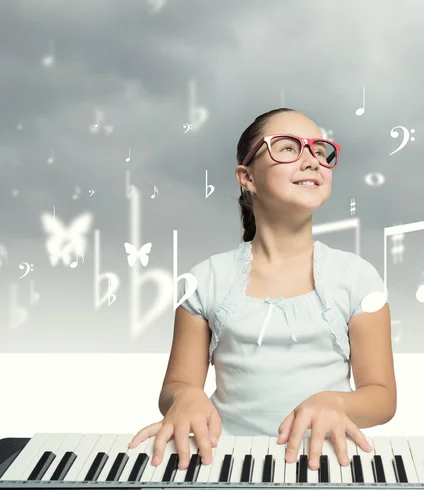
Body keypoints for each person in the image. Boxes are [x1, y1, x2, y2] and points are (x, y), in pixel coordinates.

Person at [128, 108, 397, 474]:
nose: (311, 160)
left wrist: (335, 402)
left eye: (320, 150)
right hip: (225, 467)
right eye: (287, 148)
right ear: (247, 177)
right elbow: (174, 386)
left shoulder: (357, 277)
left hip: (328, 468)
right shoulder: (205, 279)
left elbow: (381, 397)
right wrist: (186, 396)